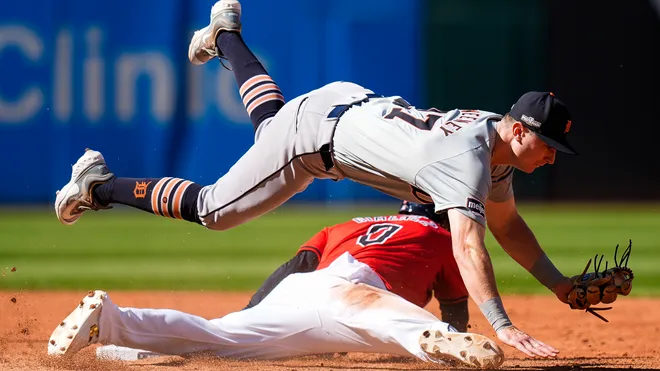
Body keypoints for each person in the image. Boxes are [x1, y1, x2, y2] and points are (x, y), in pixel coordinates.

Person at [53, 0, 575, 356]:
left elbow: (508, 228)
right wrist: (502, 326)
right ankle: (98, 184)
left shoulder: (492, 142)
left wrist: (561, 286)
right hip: (315, 142)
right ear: (519, 129)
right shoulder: (470, 160)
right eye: (548, 145)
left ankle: (226, 37)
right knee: (214, 210)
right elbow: (468, 243)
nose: (552, 157)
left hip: (343, 102)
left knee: (270, 126)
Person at [48, 201, 506, 368]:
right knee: (400, 323)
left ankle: (111, 322)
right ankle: (437, 342)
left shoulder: (347, 223)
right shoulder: (446, 237)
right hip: (359, 290)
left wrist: (251, 313)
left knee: (218, 336)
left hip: (306, 288)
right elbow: (455, 305)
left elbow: (295, 267)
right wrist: (456, 328)